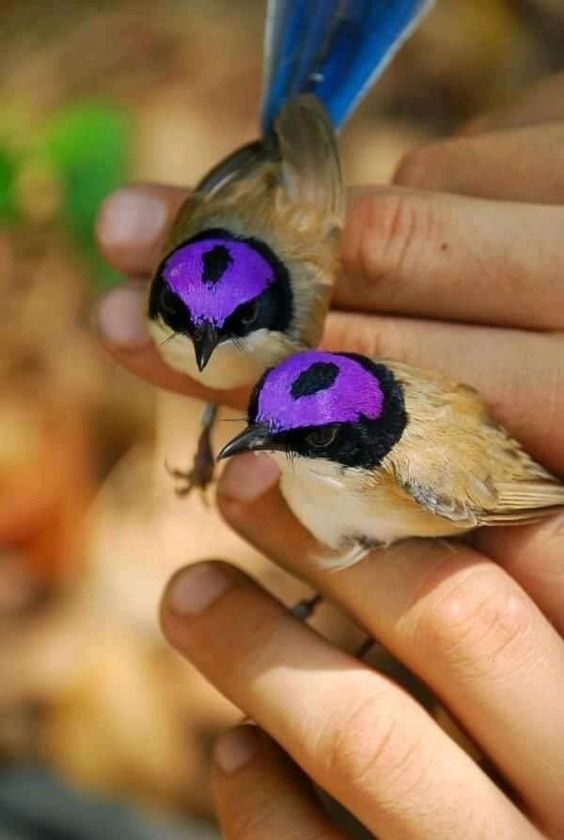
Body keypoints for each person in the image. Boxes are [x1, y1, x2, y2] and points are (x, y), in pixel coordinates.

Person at [94, 72, 564, 838]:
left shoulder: (429, 473)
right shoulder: (295, 427)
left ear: (354, 443)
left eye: (293, 438)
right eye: (258, 423)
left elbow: (529, 489)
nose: (259, 442)